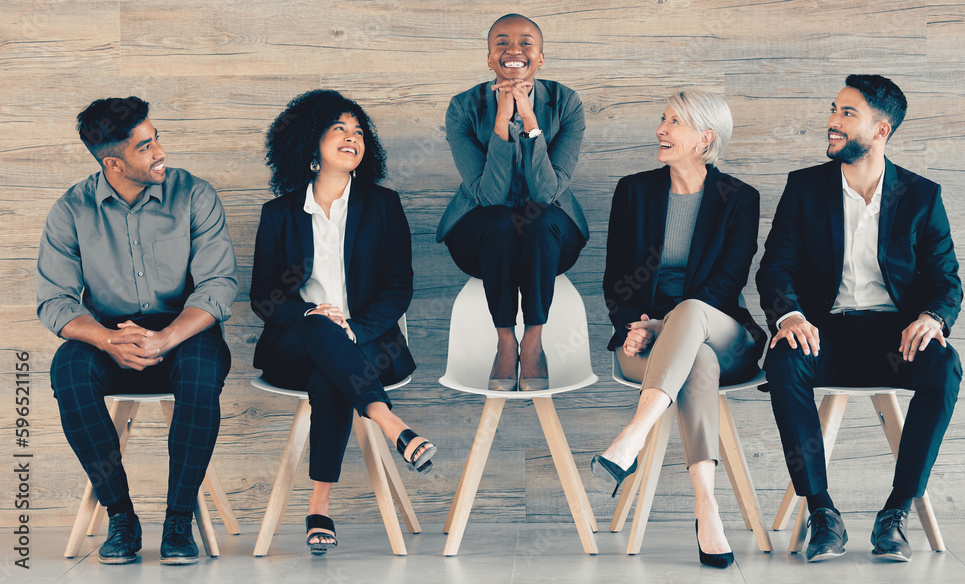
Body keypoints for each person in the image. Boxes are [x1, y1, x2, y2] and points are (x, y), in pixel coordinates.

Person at [757, 75, 962, 563]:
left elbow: (946, 278)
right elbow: (775, 267)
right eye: (834, 110)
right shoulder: (804, 187)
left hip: (896, 341)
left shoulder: (921, 195)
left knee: (945, 365)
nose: (832, 121)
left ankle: (895, 512)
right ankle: (822, 511)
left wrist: (933, 317)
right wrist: (789, 315)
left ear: (881, 129)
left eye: (847, 114)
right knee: (783, 362)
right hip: (822, 334)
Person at [37, 97, 238, 565]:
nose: (160, 151)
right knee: (68, 371)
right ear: (113, 162)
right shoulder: (71, 210)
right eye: (145, 147)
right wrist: (107, 339)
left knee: (202, 373)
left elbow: (218, 284)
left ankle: (179, 519)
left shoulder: (195, 195)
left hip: (185, 332)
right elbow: (54, 300)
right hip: (110, 336)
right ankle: (120, 516)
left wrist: (166, 337)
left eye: (156, 138)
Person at [251, 89, 436, 555]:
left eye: (359, 132)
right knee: (319, 328)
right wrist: (312, 313)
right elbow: (264, 297)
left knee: (329, 371)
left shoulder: (383, 205)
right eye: (340, 129)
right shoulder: (279, 215)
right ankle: (391, 424)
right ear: (310, 142)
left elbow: (399, 286)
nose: (352, 138)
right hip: (296, 340)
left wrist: (356, 328)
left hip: (372, 343)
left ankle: (319, 504)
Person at [594, 90, 764, 568]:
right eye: (662, 118)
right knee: (697, 362)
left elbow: (726, 284)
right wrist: (633, 324)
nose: (660, 130)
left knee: (691, 313)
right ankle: (706, 506)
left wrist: (659, 325)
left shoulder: (739, 199)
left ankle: (633, 434)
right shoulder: (634, 191)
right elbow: (616, 277)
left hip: (721, 330)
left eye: (674, 122)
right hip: (643, 340)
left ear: (705, 139)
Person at [437, 13, 588, 390]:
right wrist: (502, 121)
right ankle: (505, 340)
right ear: (490, 59)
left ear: (540, 57)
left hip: (551, 239)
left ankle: (533, 338)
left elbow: (546, 193)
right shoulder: (462, 107)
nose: (513, 50)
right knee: (503, 219)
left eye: (525, 42)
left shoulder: (566, 103)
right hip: (481, 236)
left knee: (537, 217)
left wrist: (530, 119)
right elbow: (489, 196)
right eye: (501, 43)